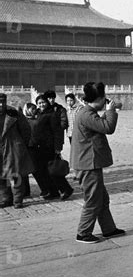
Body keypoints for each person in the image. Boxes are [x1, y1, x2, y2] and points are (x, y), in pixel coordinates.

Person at [71, 82, 125, 243]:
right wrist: (110, 111)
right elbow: (108, 127)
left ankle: (108, 229)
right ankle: (83, 233)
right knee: (93, 200)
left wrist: (109, 112)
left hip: (89, 162)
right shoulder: (87, 114)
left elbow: (99, 125)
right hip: (88, 164)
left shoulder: (87, 112)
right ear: (100, 98)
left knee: (102, 198)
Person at [35, 95, 74, 200]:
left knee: (53, 169)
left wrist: (57, 147)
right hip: (40, 147)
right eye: (39, 103)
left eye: (43, 102)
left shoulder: (52, 114)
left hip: (50, 146)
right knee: (44, 171)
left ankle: (66, 189)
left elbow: (57, 132)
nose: (41, 105)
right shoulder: (38, 113)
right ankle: (53, 192)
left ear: (47, 102)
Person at [0, 93, 35, 209]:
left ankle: (18, 199)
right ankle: (6, 198)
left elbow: (25, 130)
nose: (1, 104)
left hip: (12, 148)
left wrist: (19, 144)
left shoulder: (14, 114)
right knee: (2, 176)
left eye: (3, 102)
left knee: (16, 176)